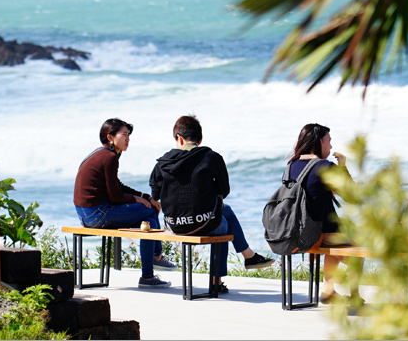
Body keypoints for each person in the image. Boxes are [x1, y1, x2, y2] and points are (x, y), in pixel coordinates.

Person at [149, 114, 275, 294]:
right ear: (200, 139)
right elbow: (224, 190)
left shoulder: (163, 162)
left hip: (174, 225)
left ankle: (248, 257)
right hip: (204, 224)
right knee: (223, 217)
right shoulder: (210, 157)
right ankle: (232, 269)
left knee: (223, 214)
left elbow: (155, 192)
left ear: (179, 138)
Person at [74, 118, 175, 289]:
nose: (128, 139)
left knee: (149, 221)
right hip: (98, 214)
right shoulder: (109, 157)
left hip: (86, 215)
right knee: (148, 210)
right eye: (124, 134)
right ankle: (157, 257)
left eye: (129, 135)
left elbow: (117, 186)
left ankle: (148, 277)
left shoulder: (102, 154)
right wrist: (140, 200)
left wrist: (144, 196)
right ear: (110, 137)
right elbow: (115, 196)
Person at [287, 123, 364, 304]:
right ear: (318, 142)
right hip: (319, 235)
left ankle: (329, 289)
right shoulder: (324, 167)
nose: (330, 146)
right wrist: (343, 167)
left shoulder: (291, 167)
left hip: (296, 235)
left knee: (336, 235)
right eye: (328, 141)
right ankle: (353, 295)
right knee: (358, 250)